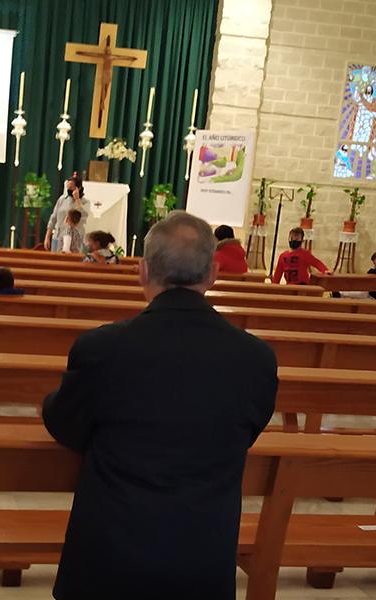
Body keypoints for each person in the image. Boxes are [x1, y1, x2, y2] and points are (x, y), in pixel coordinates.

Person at [43, 210, 277, 600]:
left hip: (109, 560)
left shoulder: (102, 348)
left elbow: (66, 425)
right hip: (202, 560)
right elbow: (247, 431)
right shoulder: (256, 358)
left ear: (143, 271)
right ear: (213, 273)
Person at [45, 174, 90, 252]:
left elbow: (84, 216)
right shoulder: (62, 199)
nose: (69, 189)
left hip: (75, 239)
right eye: (67, 187)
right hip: (58, 236)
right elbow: (53, 218)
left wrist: (77, 199)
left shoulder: (85, 202)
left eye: (71, 187)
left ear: (78, 188)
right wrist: (47, 236)